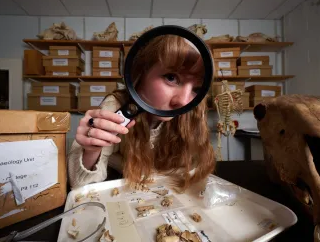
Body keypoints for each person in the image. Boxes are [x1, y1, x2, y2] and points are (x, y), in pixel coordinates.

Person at [67, 34, 216, 191]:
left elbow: (191, 171)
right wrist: (91, 151)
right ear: (140, 74)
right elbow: (82, 187)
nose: (184, 101)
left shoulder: (193, 111)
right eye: (171, 78)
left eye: (197, 89)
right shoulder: (117, 105)